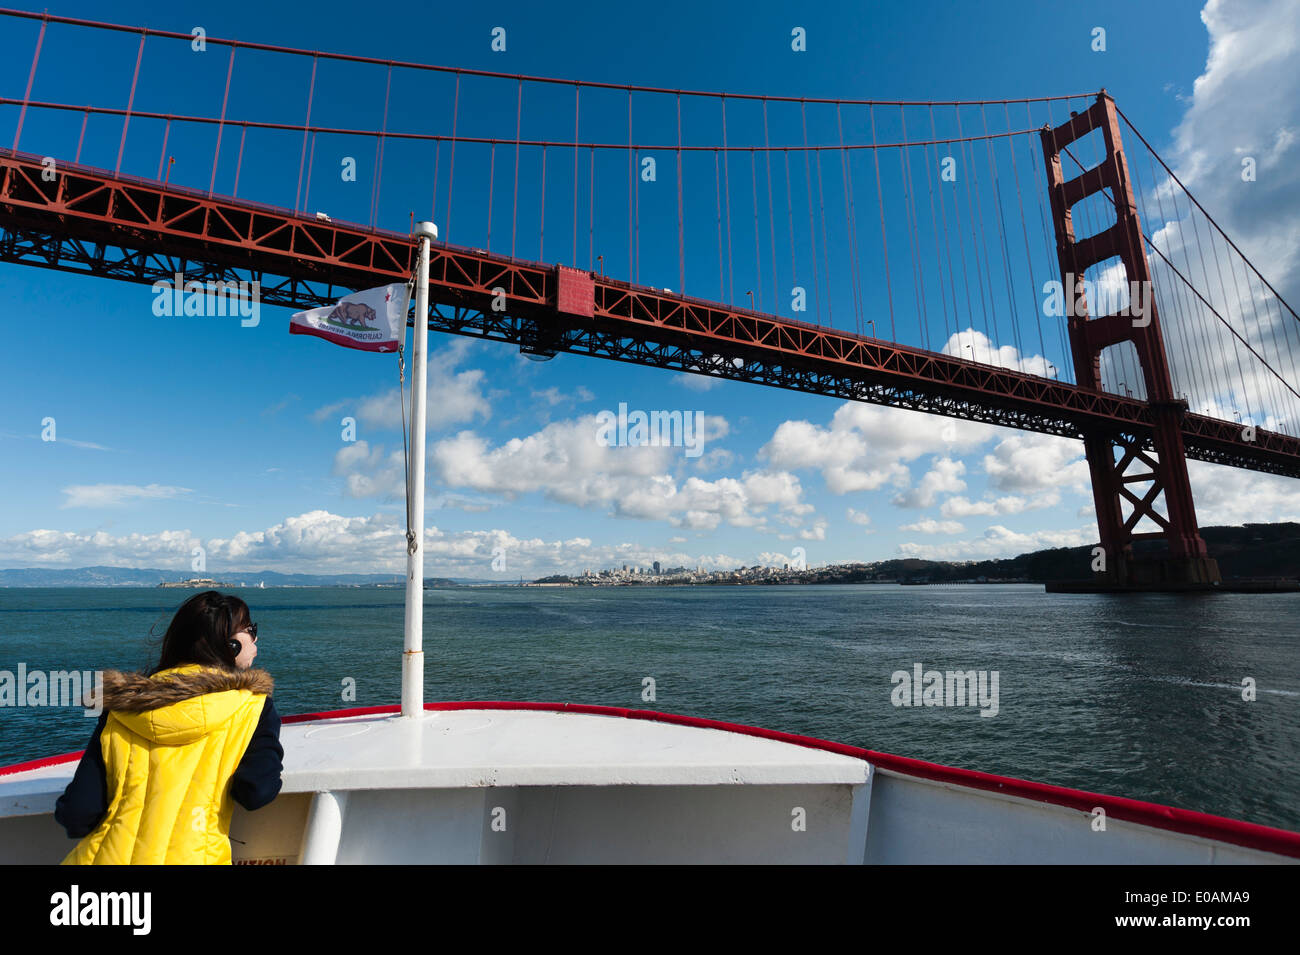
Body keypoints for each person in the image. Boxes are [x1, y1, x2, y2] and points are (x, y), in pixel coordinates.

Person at [54, 590, 284, 864]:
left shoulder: (122, 706)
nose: (256, 638)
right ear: (231, 644)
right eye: (251, 630)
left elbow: (78, 814)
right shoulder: (253, 708)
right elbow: (256, 792)